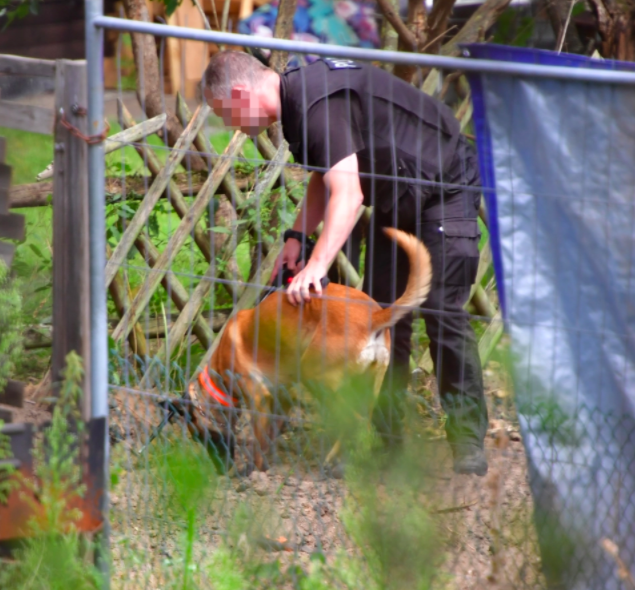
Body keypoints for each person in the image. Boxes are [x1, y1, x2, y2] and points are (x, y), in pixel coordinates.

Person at [202, 51, 489, 476]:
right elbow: (326, 174)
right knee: (382, 315)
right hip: (397, 191)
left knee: (443, 310)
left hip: (445, 181)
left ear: (242, 94)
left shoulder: (313, 104)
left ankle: (467, 442)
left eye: (226, 114)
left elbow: (349, 194)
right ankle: (389, 445)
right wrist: (298, 236)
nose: (231, 127)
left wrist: (318, 265)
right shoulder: (298, 104)